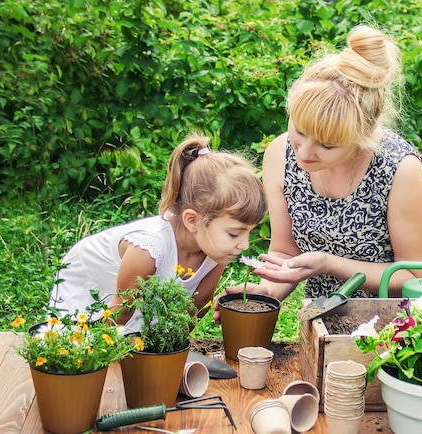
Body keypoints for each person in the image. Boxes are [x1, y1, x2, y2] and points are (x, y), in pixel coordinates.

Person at [213, 24, 422, 320]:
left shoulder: (400, 169)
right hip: (325, 317)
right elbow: (285, 249)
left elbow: (413, 276)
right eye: (299, 130)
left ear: (365, 136)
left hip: (404, 320)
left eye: (327, 145)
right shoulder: (280, 155)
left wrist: (330, 264)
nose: (304, 153)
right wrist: (267, 292)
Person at [49, 132, 267, 333]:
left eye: (249, 232)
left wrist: (174, 347)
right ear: (193, 220)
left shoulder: (218, 249)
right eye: (234, 233)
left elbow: (198, 304)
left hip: (135, 297)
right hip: (91, 286)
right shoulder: (148, 249)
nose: (244, 245)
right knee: (83, 341)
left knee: (149, 332)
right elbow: (121, 310)